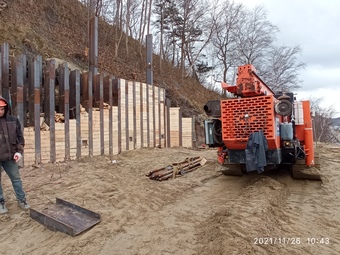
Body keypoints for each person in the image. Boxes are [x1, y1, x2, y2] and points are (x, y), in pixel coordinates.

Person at [0, 96, 30, 214]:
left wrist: (19, 152)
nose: (0, 111)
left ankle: (22, 200)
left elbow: (20, 138)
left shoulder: (13, 120)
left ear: (6, 108)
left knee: (16, 179)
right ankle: (1, 203)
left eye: (2, 109)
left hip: (10, 157)